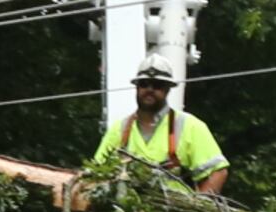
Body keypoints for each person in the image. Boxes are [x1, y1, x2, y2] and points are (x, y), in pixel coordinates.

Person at [92, 61, 229, 197]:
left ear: (168, 89)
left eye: (157, 85)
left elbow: (217, 172)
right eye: (144, 84)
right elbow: (96, 173)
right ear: (137, 87)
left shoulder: (190, 126)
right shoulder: (120, 129)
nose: (150, 89)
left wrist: (200, 207)